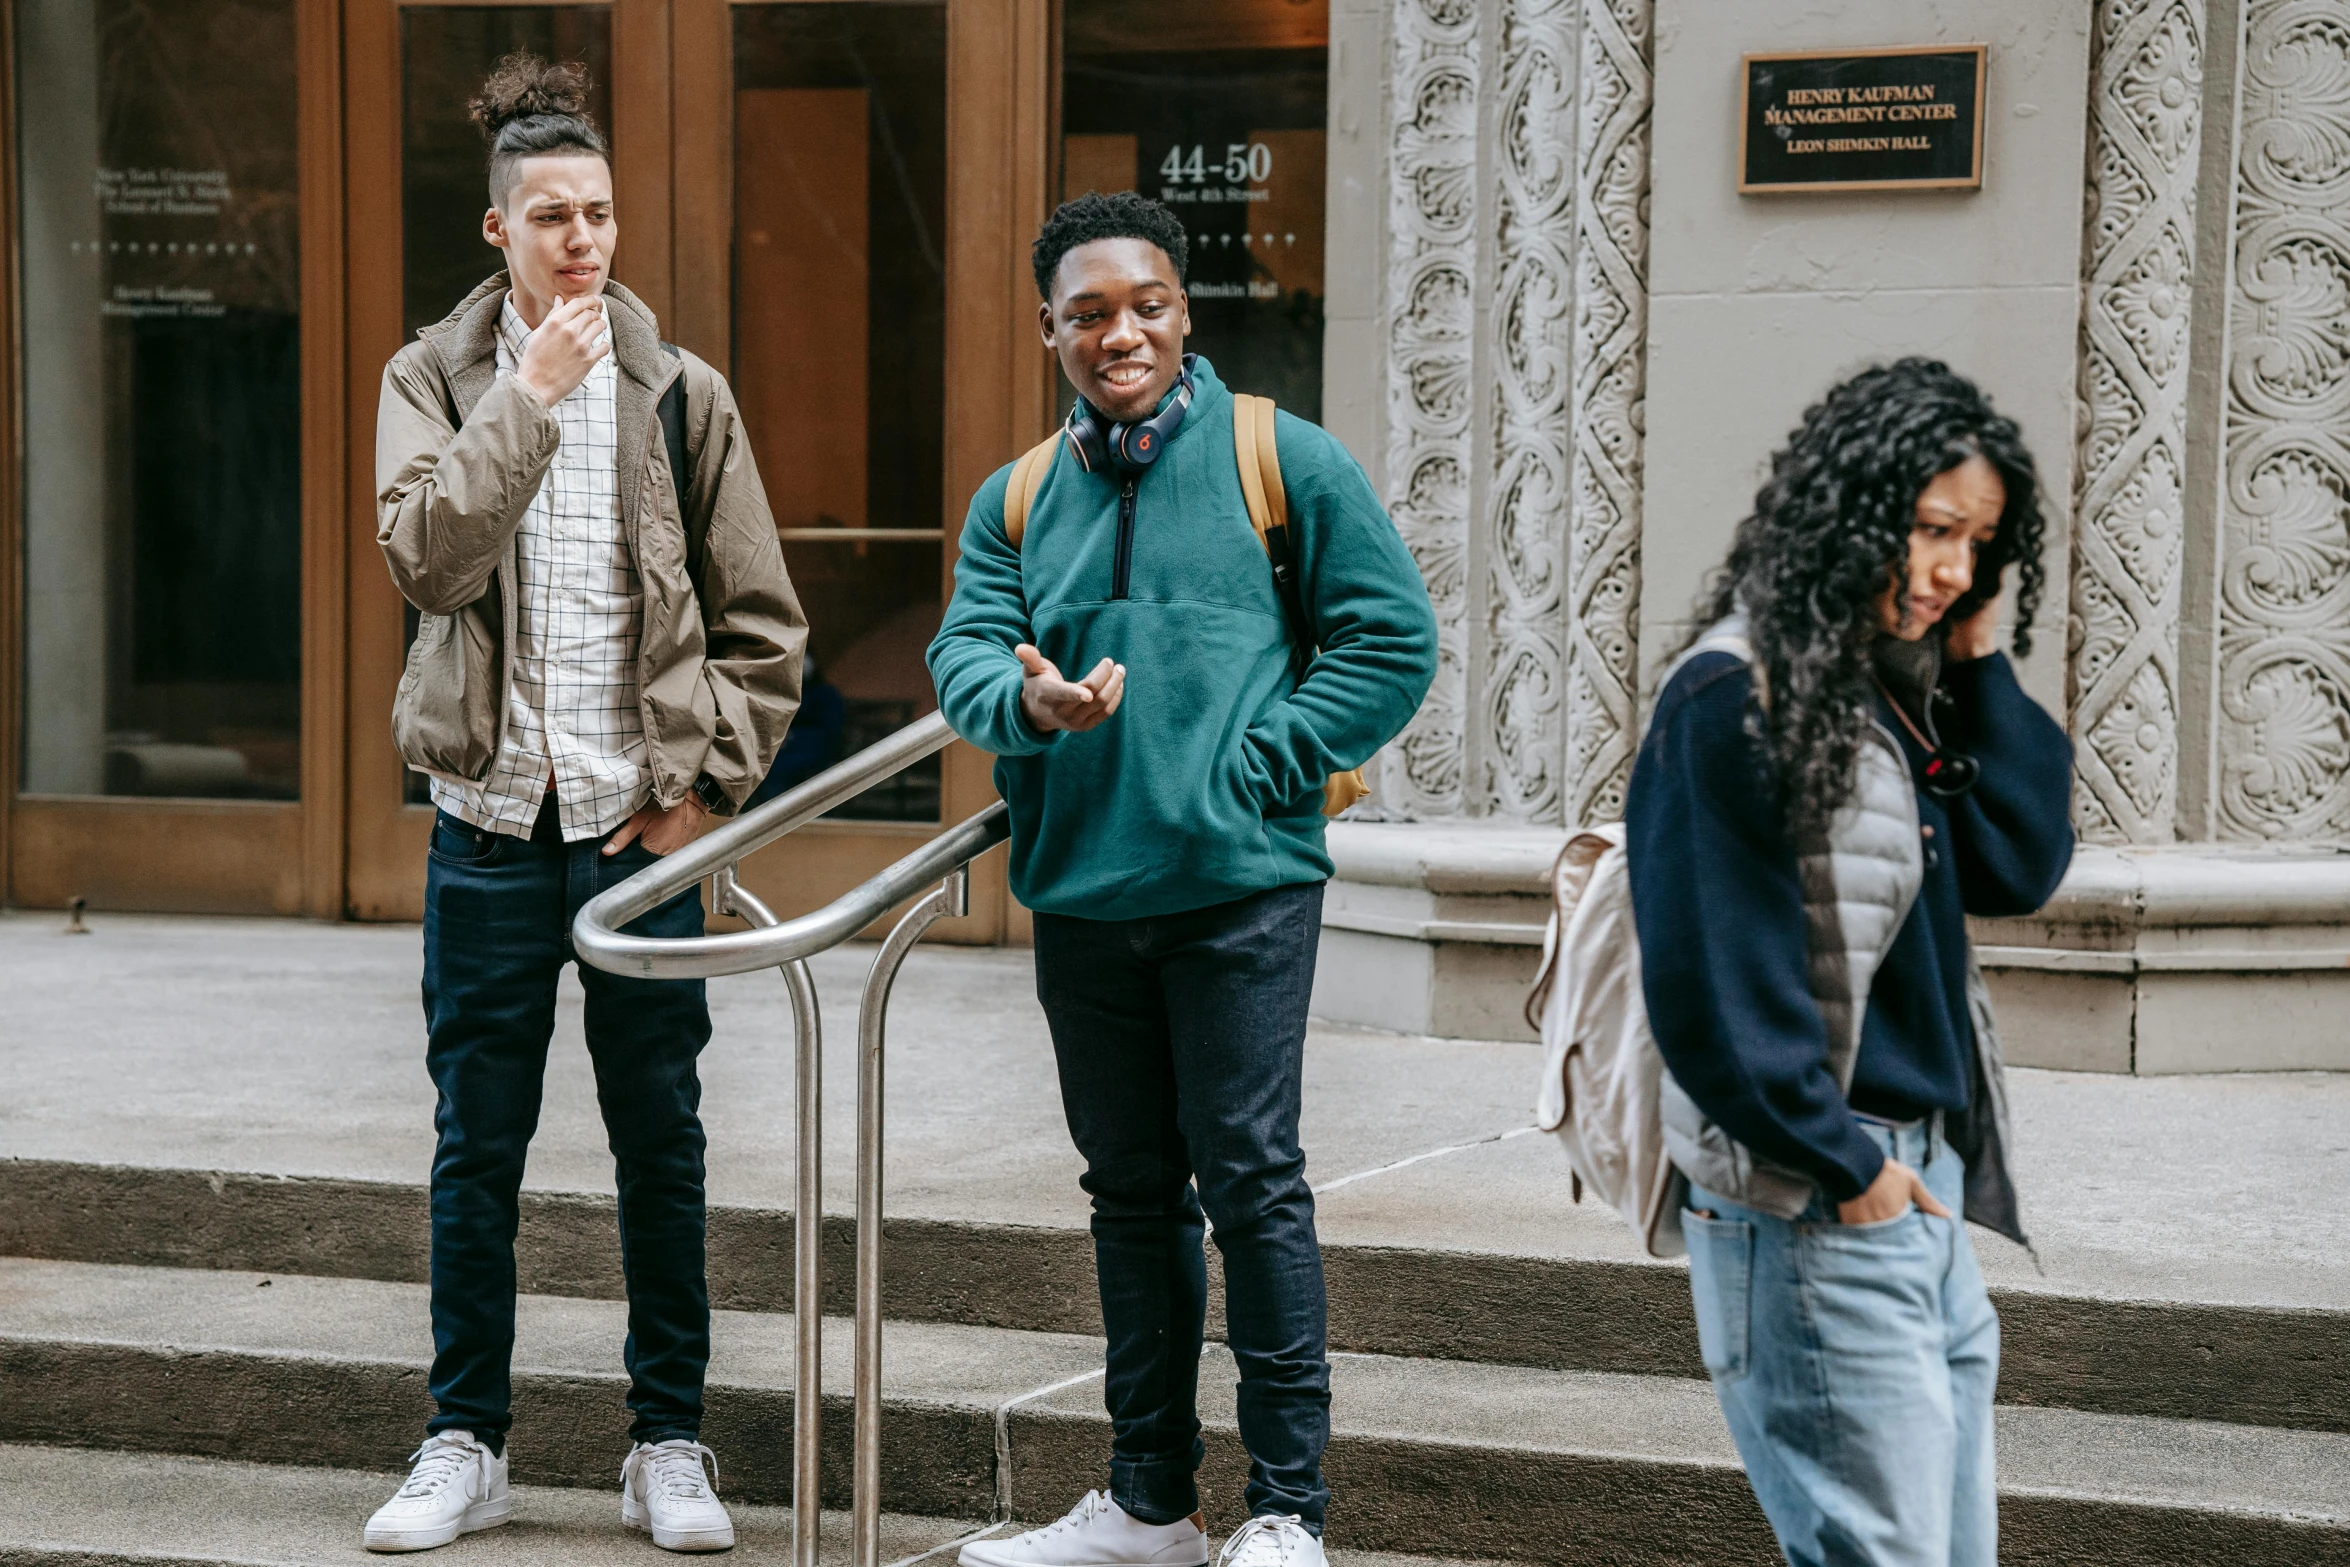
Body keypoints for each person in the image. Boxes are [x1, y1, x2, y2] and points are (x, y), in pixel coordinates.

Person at [928, 192, 1438, 1567]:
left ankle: (1286, 1508)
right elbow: (962, 653)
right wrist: (1023, 704)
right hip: (1085, 896)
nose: (1120, 331)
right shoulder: (1018, 495)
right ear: (1049, 331)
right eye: (1088, 312)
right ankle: (1149, 1499)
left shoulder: (1284, 456)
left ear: (1182, 310)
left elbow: (1391, 640)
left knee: (1253, 1183)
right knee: (1129, 1194)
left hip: (1240, 889)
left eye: (1144, 302)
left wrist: (1266, 754)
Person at [365, 54, 804, 1555]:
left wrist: (706, 796)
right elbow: (424, 560)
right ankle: (463, 1440)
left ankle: (666, 1440)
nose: (582, 240)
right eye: (550, 215)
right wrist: (526, 398)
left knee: (657, 1141)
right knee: (474, 1145)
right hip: (487, 830)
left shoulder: (683, 393)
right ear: (499, 231)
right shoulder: (430, 379)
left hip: (634, 837)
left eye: (600, 214)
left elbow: (765, 627)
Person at [1625, 359, 2074, 1567]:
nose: (1948, 571)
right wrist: (1847, 1166)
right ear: (1849, 510)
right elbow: (1713, 991)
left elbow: (2022, 863)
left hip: (1911, 1189)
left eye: (1975, 544)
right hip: (1816, 1196)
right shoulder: (1733, 700)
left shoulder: (1879, 694)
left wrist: (1976, 659)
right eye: (1930, 530)